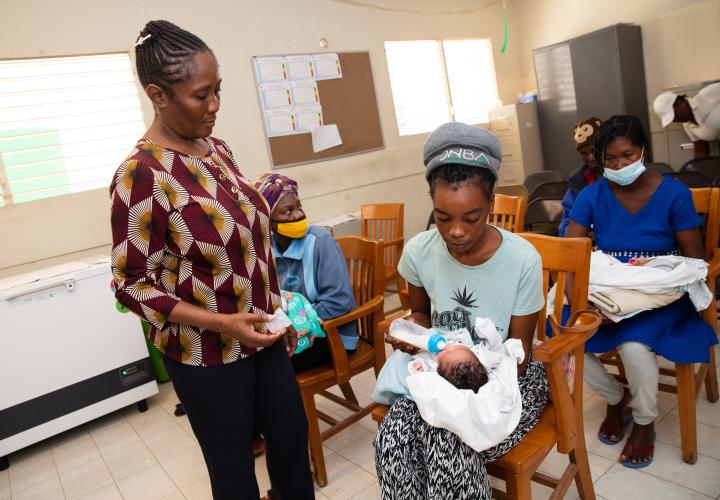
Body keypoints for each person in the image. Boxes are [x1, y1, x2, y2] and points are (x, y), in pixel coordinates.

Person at [110, 20, 314, 499]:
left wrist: (278, 313)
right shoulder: (143, 174)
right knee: (234, 471)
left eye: (218, 89)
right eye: (201, 96)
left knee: (290, 440)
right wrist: (222, 325)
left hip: (262, 334)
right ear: (158, 95)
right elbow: (130, 284)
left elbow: (249, 242)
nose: (216, 105)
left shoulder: (216, 150)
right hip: (207, 355)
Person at [374, 122, 550, 499]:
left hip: (509, 379)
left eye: (471, 218)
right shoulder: (420, 252)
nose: (455, 231)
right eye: (442, 217)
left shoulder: (522, 260)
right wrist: (410, 330)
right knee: (392, 440)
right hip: (441, 371)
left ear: (491, 204)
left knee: (447, 441)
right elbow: (420, 314)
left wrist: (460, 383)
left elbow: (519, 353)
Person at [565, 115, 719, 468]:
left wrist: (648, 273)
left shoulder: (673, 194)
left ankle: (645, 422)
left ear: (644, 151)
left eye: (628, 155)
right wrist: (584, 303)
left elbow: (693, 261)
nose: (619, 165)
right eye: (610, 159)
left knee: (633, 346)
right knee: (564, 338)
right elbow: (570, 255)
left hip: (660, 293)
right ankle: (617, 397)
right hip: (609, 291)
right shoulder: (592, 194)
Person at [254, 173, 358, 372]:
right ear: (267, 220)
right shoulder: (267, 249)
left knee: (265, 366)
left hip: (330, 335)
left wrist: (292, 323)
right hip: (293, 333)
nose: (298, 215)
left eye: (299, 207)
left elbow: (339, 302)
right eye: (288, 211)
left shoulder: (319, 241)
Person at [558, 116, 603, 236]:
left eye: (594, 151)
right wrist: (583, 234)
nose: (591, 158)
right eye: (584, 153)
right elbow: (565, 226)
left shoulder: (619, 176)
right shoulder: (578, 182)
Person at [654, 83, 720, 159]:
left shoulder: (706, 96)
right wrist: (697, 168)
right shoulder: (687, 126)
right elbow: (701, 150)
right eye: (672, 119)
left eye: (674, 115)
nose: (675, 120)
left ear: (680, 103)